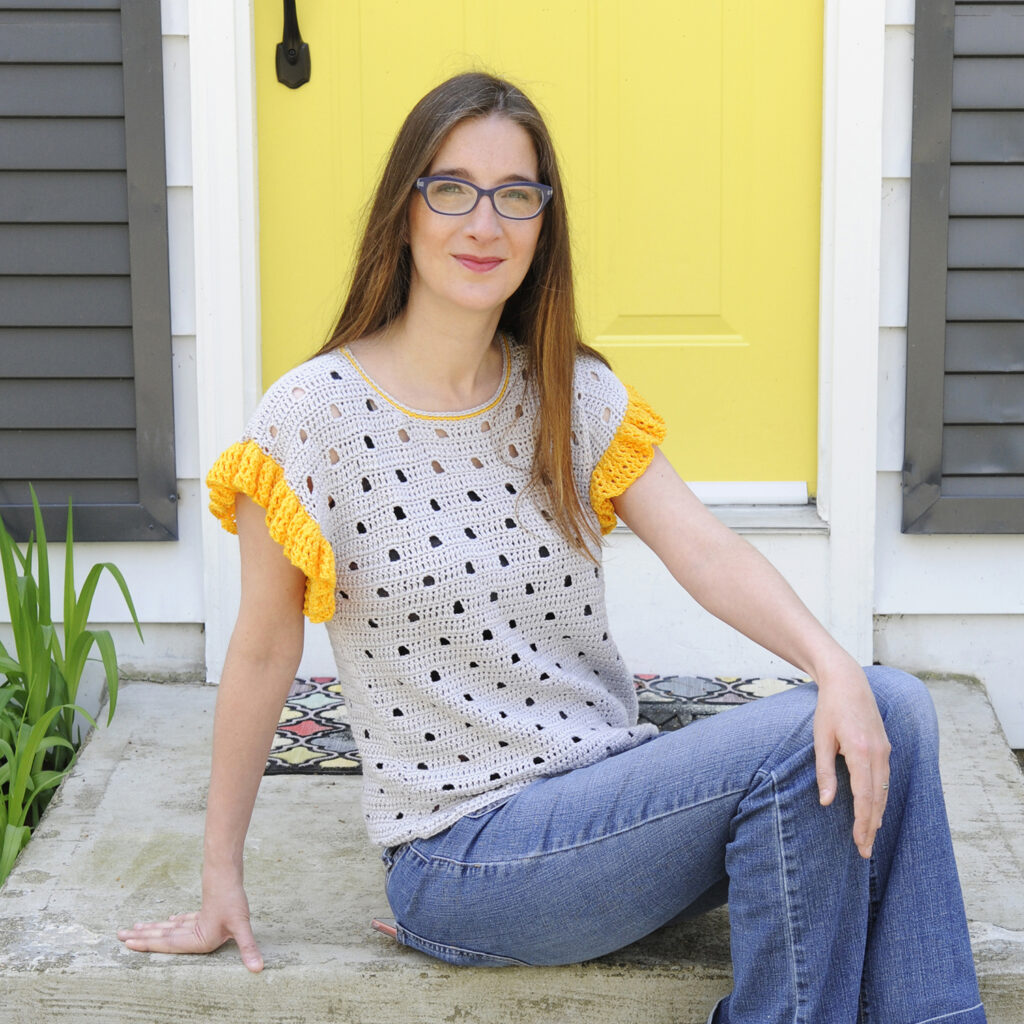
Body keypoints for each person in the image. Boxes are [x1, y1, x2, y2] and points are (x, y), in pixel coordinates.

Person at [118, 72, 986, 1024]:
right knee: (811, 738)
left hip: (607, 808)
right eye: (451, 188)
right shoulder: (313, 418)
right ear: (403, 212)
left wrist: (832, 664)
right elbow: (261, 650)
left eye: (515, 195)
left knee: (888, 705)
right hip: (465, 856)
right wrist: (218, 879)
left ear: (542, 224)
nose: (482, 223)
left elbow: (704, 548)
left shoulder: (568, 392)